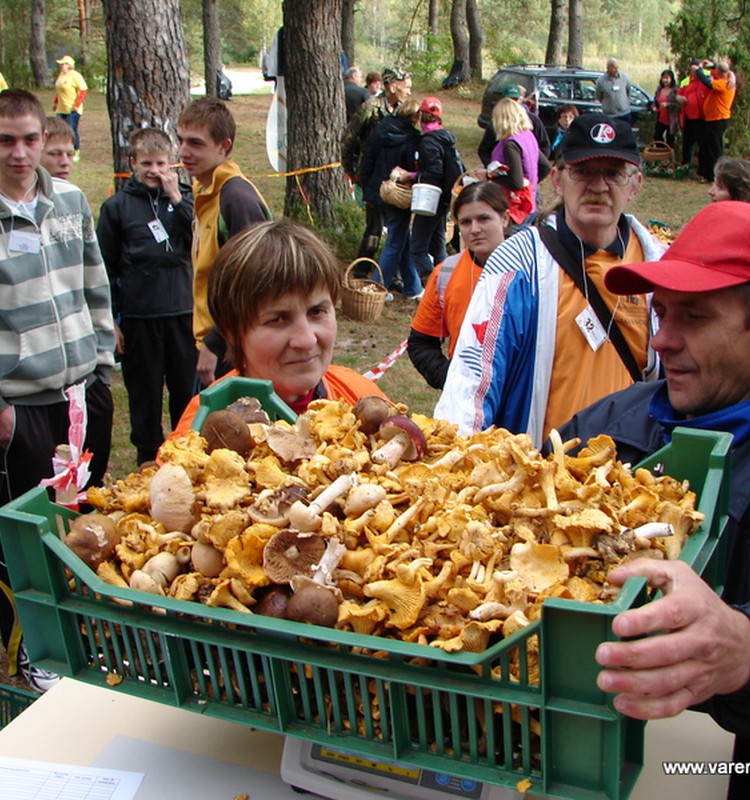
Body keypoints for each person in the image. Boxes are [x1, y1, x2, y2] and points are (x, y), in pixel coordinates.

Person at [553, 201, 750, 800]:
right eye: (661, 313)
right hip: (578, 745)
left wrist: (744, 657)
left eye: (692, 316)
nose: (663, 340)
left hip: (717, 762)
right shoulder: (611, 423)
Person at [434, 112, 663, 448]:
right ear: (557, 179)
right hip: (543, 485)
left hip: (629, 481)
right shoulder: (518, 263)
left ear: (635, 184)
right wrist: (457, 458)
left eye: (613, 174)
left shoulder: (657, 266)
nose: (598, 186)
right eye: (583, 171)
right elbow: (472, 381)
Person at [0, 89, 115, 691]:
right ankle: (36, 650)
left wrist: (102, 369)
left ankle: (86, 633)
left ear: (46, 138)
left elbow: (96, 285)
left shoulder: (69, 200)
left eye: (29, 139)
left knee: (82, 521)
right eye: (5, 141)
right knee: (28, 531)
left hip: (82, 394)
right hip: (23, 405)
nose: (20, 154)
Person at [169, 220, 388, 438]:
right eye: (278, 319)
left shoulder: (359, 397)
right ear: (232, 332)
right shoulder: (200, 435)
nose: (306, 340)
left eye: (317, 311)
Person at [96, 128, 196, 466]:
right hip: (139, 316)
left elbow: (198, 237)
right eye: (147, 163)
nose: (155, 170)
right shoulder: (117, 207)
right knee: (145, 394)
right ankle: (146, 458)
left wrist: (176, 198)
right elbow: (105, 268)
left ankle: (186, 452)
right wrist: (111, 320)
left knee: (186, 390)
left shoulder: (185, 197)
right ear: (133, 164)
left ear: (173, 165)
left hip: (183, 311)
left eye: (162, 163)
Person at [176, 97, 272, 388]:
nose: (183, 151)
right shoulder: (206, 191)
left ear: (224, 146)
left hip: (234, 349)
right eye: (180, 140)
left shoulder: (236, 198)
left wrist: (215, 344)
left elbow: (255, 283)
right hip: (215, 342)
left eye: (195, 143)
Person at [408, 181, 508, 389]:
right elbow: (421, 343)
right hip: (465, 400)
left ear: (505, 218)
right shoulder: (446, 273)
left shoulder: (533, 271)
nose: (475, 229)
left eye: (484, 219)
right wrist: (451, 379)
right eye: (465, 222)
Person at [341, 66, 412, 270]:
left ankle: (397, 273)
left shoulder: (405, 109)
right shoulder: (370, 108)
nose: (408, 91)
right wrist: (352, 171)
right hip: (372, 177)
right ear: (392, 86)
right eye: (405, 87)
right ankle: (362, 270)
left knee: (398, 228)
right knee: (374, 227)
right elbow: (348, 140)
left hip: (396, 180)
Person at [360, 98, 423, 301]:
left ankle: (412, 287)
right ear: (415, 117)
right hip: (398, 195)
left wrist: (367, 188)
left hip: (379, 190)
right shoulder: (413, 139)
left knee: (402, 236)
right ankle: (378, 285)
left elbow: (368, 158)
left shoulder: (381, 130)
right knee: (396, 240)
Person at [409, 96, 465, 285]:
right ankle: (448, 284)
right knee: (438, 242)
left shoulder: (429, 142)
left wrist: (412, 177)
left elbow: (434, 172)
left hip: (430, 198)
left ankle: (432, 285)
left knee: (417, 248)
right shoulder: (445, 138)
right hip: (445, 200)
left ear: (421, 116)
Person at [487, 97, 550, 229]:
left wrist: (491, 177)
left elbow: (516, 183)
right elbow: (545, 167)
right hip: (530, 203)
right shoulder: (527, 136)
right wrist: (531, 185)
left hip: (516, 208)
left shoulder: (511, 144)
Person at [478, 84, 551, 167]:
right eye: (510, 99)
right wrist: (491, 166)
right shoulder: (496, 122)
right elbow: (484, 150)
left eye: (515, 99)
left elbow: (545, 146)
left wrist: (535, 165)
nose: (513, 103)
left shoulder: (533, 120)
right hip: (500, 170)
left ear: (521, 100)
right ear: (503, 100)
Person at [696, 60, 736, 183]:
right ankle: (708, 173)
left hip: (718, 119)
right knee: (708, 146)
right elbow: (721, 70)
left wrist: (698, 69)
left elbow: (706, 82)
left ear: (719, 72)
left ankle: (719, 175)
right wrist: (712, 65)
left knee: (715, 148)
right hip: (713, 119)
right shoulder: (728, 78)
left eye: (716, 71)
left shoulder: (724, 84)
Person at [676, 58, 709, 171]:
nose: (695, 71)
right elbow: (678, 93)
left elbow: (720, 72)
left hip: (701, 118)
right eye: (693, 69)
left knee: (702, 145)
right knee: (687, 143)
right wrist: (679, 98)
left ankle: (702, 168)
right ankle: (685, 165)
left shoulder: (706, 79)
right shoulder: (686, 81)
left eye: (697, 69)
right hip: (687, 117)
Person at [52, 55, 87, 160]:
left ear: (69, 65)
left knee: (72, 129)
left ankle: (76, 151)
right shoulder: (61, 75)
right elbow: (59, 91)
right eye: (61, 64)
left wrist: (76, 105)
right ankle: (62, 150)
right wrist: (55, 102)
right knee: (59, 130)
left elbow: (83, 90)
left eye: (64, 64)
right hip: (61, 108)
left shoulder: (75, 76)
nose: (62, 66)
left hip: (72, 109)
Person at [595, 58, 632, 123]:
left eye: (617, 67)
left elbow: (628, 91)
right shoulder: (601, 81)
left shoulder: (624, 78)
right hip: (610, 115)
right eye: (613, 68)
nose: (615, 70)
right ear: (608, 68)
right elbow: (598, 97)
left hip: (624, 114)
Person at [652, 68, 679, 149]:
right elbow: (655, 100)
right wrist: (653, 106)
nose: (665, 80)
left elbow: (678, 105)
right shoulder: (659, 89)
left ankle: (669, 158)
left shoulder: (675, 90)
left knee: (670, 139)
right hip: (660, 118)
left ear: (671, 79)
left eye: (667, 78)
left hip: (671, 119)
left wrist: (668, 105)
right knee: (657, 136)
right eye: (663, 78)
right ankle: (660, 154)